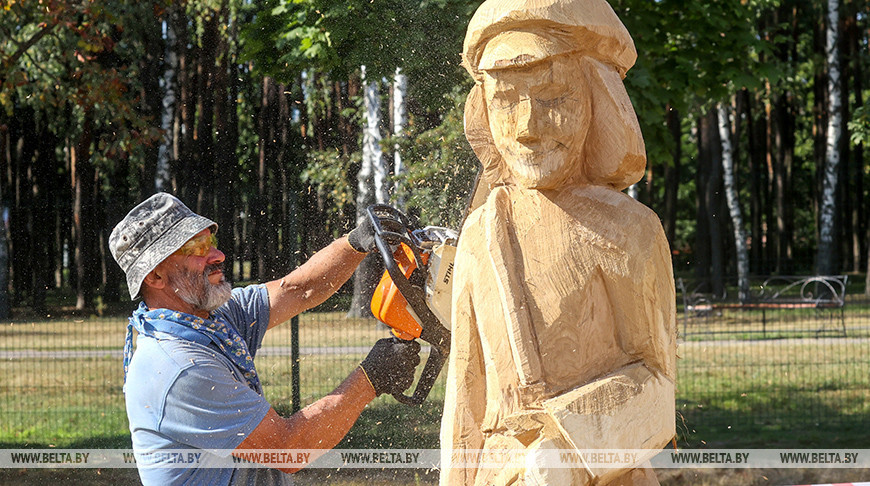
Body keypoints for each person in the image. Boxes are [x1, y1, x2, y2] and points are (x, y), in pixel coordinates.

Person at [440, 0, 677, 485]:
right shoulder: (481, 232)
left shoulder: (629, 230)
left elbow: (658, 386)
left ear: (597, 98)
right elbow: (464, 401)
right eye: (506, 99)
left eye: (553, 96)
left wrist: (563, 446)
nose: (527, 126)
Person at [109, 192, 421, 485]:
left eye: (209, 240)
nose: (218, 254)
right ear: (155, 277)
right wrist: (371, 379)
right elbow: (287, 448)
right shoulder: (178, 367)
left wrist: (356, 242)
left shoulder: (212, 321)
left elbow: (298, 290)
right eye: (195, 249)